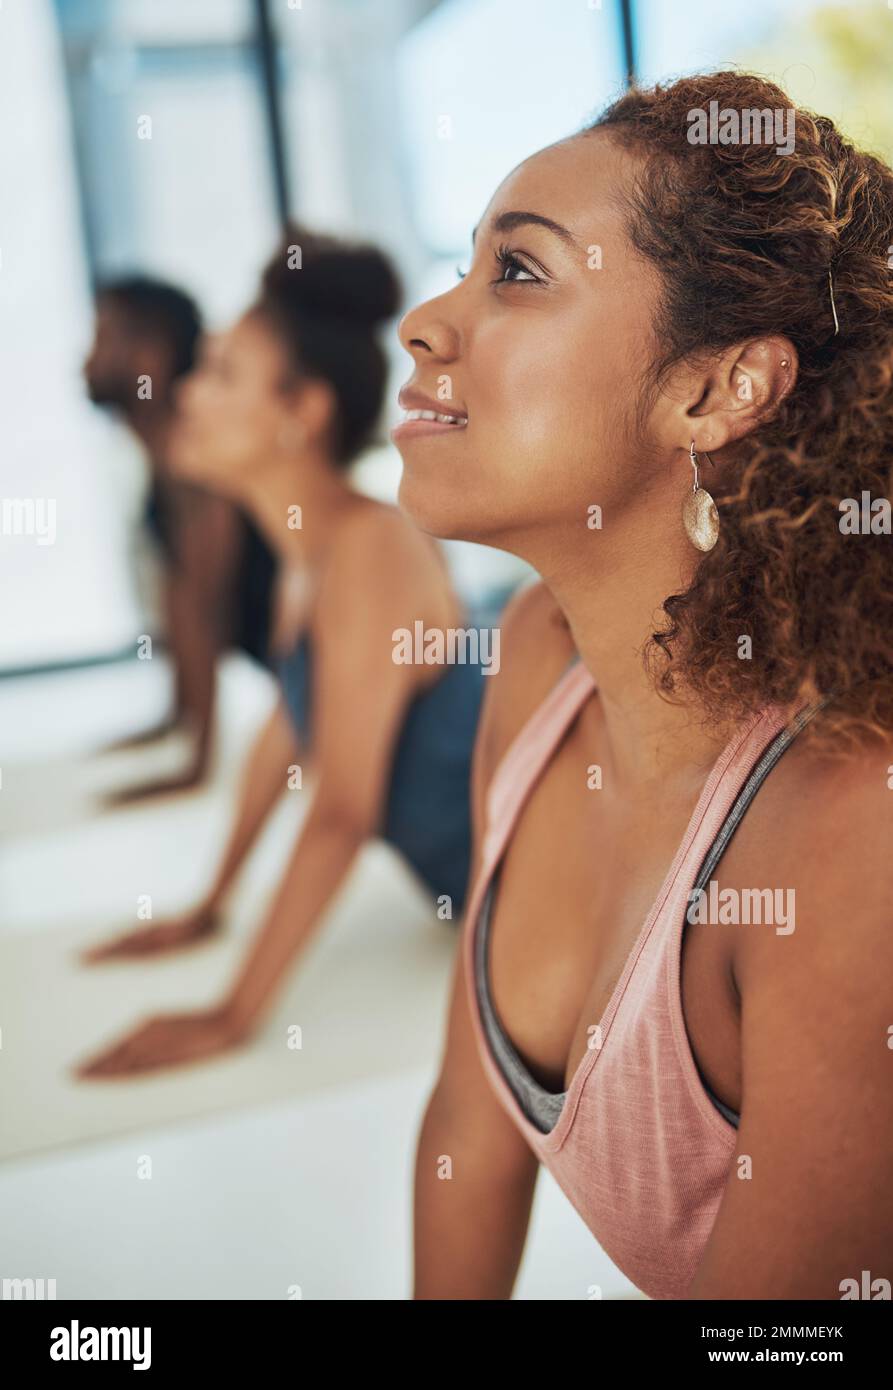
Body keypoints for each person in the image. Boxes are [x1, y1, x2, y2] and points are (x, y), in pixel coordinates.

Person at [397, 72, 893, 1299]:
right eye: (465, 265)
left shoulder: (847, 827)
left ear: (713, 390)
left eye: (518, 272)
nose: (425, 322)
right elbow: (468, 1130)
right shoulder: (538, 653)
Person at [75, 226, 489, 1076]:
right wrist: (210, 904)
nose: (187, 394)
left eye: (222, 374)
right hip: (467, 896)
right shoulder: (310, 548)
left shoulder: (370, 550)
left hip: (540, 894)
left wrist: (232, 1013)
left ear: (303, 412)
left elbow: (342, 811)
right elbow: (290, 727)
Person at [84, 276, 278, 796]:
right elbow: (177, 594)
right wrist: (175, 718)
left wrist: (196, 768)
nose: (87, 359)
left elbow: (203, 603)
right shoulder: (163, 450)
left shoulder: (195, 452)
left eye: (104, 337)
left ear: (152, 353)